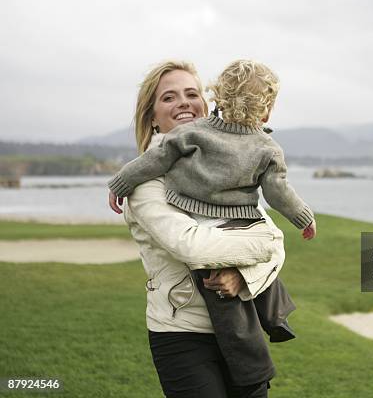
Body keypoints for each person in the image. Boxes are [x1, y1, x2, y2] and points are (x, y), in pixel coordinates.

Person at [107, 59, 316, 341]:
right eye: (169, 97)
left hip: (236, 313)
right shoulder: (147, 181)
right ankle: (274, 319)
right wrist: (278, 233)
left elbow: (275, 242)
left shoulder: (217, 146)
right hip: (181, 330)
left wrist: (243, 277)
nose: (183, 103)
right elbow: (196, 247)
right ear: (152, 116)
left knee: (254, 375)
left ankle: (275, 319)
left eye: (192, 94)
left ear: (211, 101)